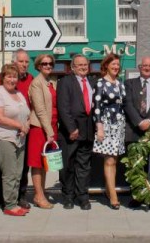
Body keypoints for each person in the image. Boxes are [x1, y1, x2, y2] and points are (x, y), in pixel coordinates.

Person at [0, 49, 33, 209]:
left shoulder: (23, 87)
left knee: (18, 171)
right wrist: (19, 125)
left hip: (21, 136)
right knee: (8, 172)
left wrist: (26, 126)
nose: (24, 64)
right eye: (21, 61)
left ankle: (16, 200)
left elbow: (29, 109)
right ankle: (7, 202)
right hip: (4, 136)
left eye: (26, 62)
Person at [123, 56, 150, 208]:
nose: (147, 68)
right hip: (134, 130)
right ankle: (137, 196)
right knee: (136, 165)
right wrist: (139, 122)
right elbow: (127, 104)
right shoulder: (129, 84)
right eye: (144, 65)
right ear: (139, 67)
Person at [57, 54, 94, 210]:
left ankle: (83, 197)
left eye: (85, 64)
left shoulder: (92, 81)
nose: (83, 67)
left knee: (84, 166)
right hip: (70, 131)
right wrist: (71, 128)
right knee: (68, 165)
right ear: (73, 67)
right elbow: (63, 107)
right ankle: (68, 196)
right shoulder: (65, 82)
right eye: (79, 65)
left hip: (88, 131)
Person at [93, 53, 126, 210]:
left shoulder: (120, 83)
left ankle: (108, 189)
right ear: (106, 65)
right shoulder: (100, 83)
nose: (116, 67)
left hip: (119, 124)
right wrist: (99, 127)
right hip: (107, 124)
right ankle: (113, 196)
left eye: (117, 64)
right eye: (113, 64)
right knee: (109, 160)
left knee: (115, 159)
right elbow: (97, 106)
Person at [27, 54, 58, 209]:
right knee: (37, 163)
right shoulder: (36, 83)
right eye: (44, 63)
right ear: (38, 66)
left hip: (51, 126)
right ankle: (39, 196)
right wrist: (49, 131)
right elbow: (39, 110)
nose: (47, 66)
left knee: (45, 163)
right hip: (40, 127)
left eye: (50, 63)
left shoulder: (51, 82)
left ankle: (42, 193)